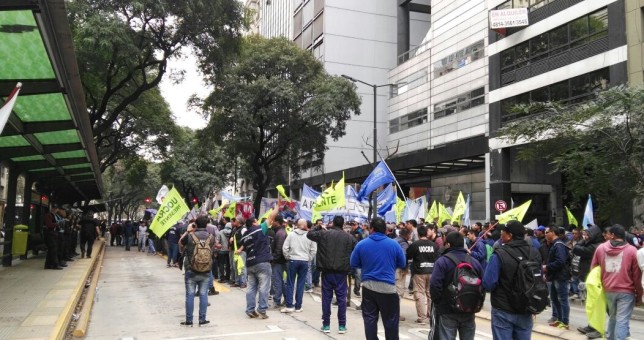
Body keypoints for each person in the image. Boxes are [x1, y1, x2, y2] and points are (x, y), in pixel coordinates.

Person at [483, 220, 542, 340]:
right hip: (526, 308)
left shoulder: (499, 254)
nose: (501, 234)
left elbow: (488, 283)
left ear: (509, 235)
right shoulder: (534, 252)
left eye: (503, 232)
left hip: (503, 309)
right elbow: (539, 279)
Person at [350, 217, 406, 340]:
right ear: (385, 230)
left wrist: (366, 264)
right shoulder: (394, 245)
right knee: (391, 322)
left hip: (368, 286)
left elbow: (353, 263)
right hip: (388, 288)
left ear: (372, 229)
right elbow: (402, 263)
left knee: (370, 320)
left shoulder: (361, 244)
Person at [590, 224, 643, 340]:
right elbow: (637, 276)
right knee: (622, 320)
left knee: (613, 318)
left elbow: (594, 269)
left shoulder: (601, 248)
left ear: (612, 235)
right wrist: (639, 293)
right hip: (626, 291)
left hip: (608, 290)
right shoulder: (632, 250)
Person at [308, 215, 357, 334]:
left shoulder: (324, 234)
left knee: (326, 299)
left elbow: (309, 234)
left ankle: (326, 325)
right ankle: (342, 325)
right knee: (341, 299)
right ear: (343, 224)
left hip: (326, 271)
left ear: (333, 223)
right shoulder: (349, 237)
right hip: (342, 273)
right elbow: (356, 250)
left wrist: (318, 226)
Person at [430, 231, 483, 340]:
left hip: (447, 309)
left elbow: (435, 285)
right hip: (469, 309)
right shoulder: (474, 262)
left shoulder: (442, 261)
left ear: (448, 244)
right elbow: (483, 284)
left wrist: (439, 303)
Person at [237, 211, 275, 319]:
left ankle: (250, 309)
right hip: (262, 262)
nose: (258, 222)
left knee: (251, 288)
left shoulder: (245, 235)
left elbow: (243, 246)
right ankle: (262, 310)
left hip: (250, 263)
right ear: (254, 223)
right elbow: (271, 217)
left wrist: (240, 250)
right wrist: (277, 206)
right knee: (264, 287)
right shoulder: (260, 229)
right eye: (256, 221)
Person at [179, 216, 215, 326]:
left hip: (191, 269)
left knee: (190, 295)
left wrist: (188, 231)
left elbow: (180, 244)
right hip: (206, 270)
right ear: (206, 225)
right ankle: (202, 319)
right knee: (204, 294)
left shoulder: (190, 236)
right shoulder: (211, 237)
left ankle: (189, 320)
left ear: (196, 224)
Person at [281, 218, 317, 313]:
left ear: (297, 224)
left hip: (293, 260)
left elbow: (285, 248)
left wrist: (288, 256)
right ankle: (298, 306)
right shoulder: (310, 236)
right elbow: (314, 250)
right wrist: (309, 258)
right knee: (301, 284)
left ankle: (289, 305)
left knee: (290, 283)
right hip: (304, 261)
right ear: (305, 225)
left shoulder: (291, 234)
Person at [407, 225, 438, 324]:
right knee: (430, 294)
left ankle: (422, 317)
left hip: (419, 272)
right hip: (432, 272)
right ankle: (430, 315)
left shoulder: (415, 244)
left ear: (419, 234)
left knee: (419, 293)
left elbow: (408, 255)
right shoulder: (434, 245)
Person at [544, 226, 570, 330]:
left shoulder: (558, 245)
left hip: (560, 276)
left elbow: (560, 261)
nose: (545, 234)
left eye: (547, 232)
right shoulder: (554, 244)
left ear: (553, 232)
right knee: (555, 299)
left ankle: (565, 322)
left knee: (562, 299)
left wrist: (547, 267)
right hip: (554, 276)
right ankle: (559, 319)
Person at [270, 215, 288, 308]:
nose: (271, 223)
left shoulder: (280, 233)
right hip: (281, 261)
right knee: (281, 282)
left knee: (278, 282)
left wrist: (273, 260)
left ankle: (277, 301)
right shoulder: (279, 232)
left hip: (279, 261)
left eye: (272, 221)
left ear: (277, 222)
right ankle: (286, 299)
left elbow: (279, 249)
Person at [44, 204, 64, 270]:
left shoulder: (54, 215)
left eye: (56, 208)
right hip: (50, 234)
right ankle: (55, 265)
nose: (56, 210)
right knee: (53, 250)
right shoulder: (49, 215)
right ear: (52, 208)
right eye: (54, 208)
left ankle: (48, 265)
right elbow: (49, 224)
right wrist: (57, 224)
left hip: (54, 234)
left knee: (51, 250)